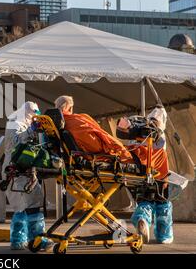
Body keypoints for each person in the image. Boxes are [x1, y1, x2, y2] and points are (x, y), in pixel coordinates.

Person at [54, 96, 173, 244]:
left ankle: (144, 212)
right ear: (70, 108)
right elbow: (102, 140)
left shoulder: (56, 124)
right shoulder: (79, 120)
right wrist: (120, 149)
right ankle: (161, 194)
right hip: (104, 158)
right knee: (158, 155)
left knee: (141, 152)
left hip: (81, 159)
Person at [2, 102, 53, 250]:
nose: (34, 117)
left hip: (23, 169)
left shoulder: (23, 122)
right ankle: (37, 240)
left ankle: (18, 240)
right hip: (17, 169)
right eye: (33, 114)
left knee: (22, 207)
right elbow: (13, 144)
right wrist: (31, 131)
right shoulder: (14, 122)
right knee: (32, 203)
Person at [130, 106, 173, 244]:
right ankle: (163, 236)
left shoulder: (138, 138)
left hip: (140, 173)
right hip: (158, 175)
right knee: (162, 205)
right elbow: (161, 163)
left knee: (145, 201)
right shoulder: (160, 139)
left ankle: (142, 218)